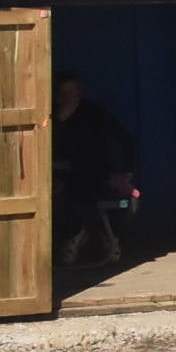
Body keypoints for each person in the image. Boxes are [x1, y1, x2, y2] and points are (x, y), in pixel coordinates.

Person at [51, 73, 135, 267]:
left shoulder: (93, 112)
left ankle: (88, 236)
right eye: (66, 93)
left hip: (94, 173)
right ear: (58, 95)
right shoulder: (51, 116)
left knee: (89, 192)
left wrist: (127, 170)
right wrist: (60, 119)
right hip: (59, 174)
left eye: (75, 92)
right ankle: (75, 235)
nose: (72, 97)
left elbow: (124, 138)